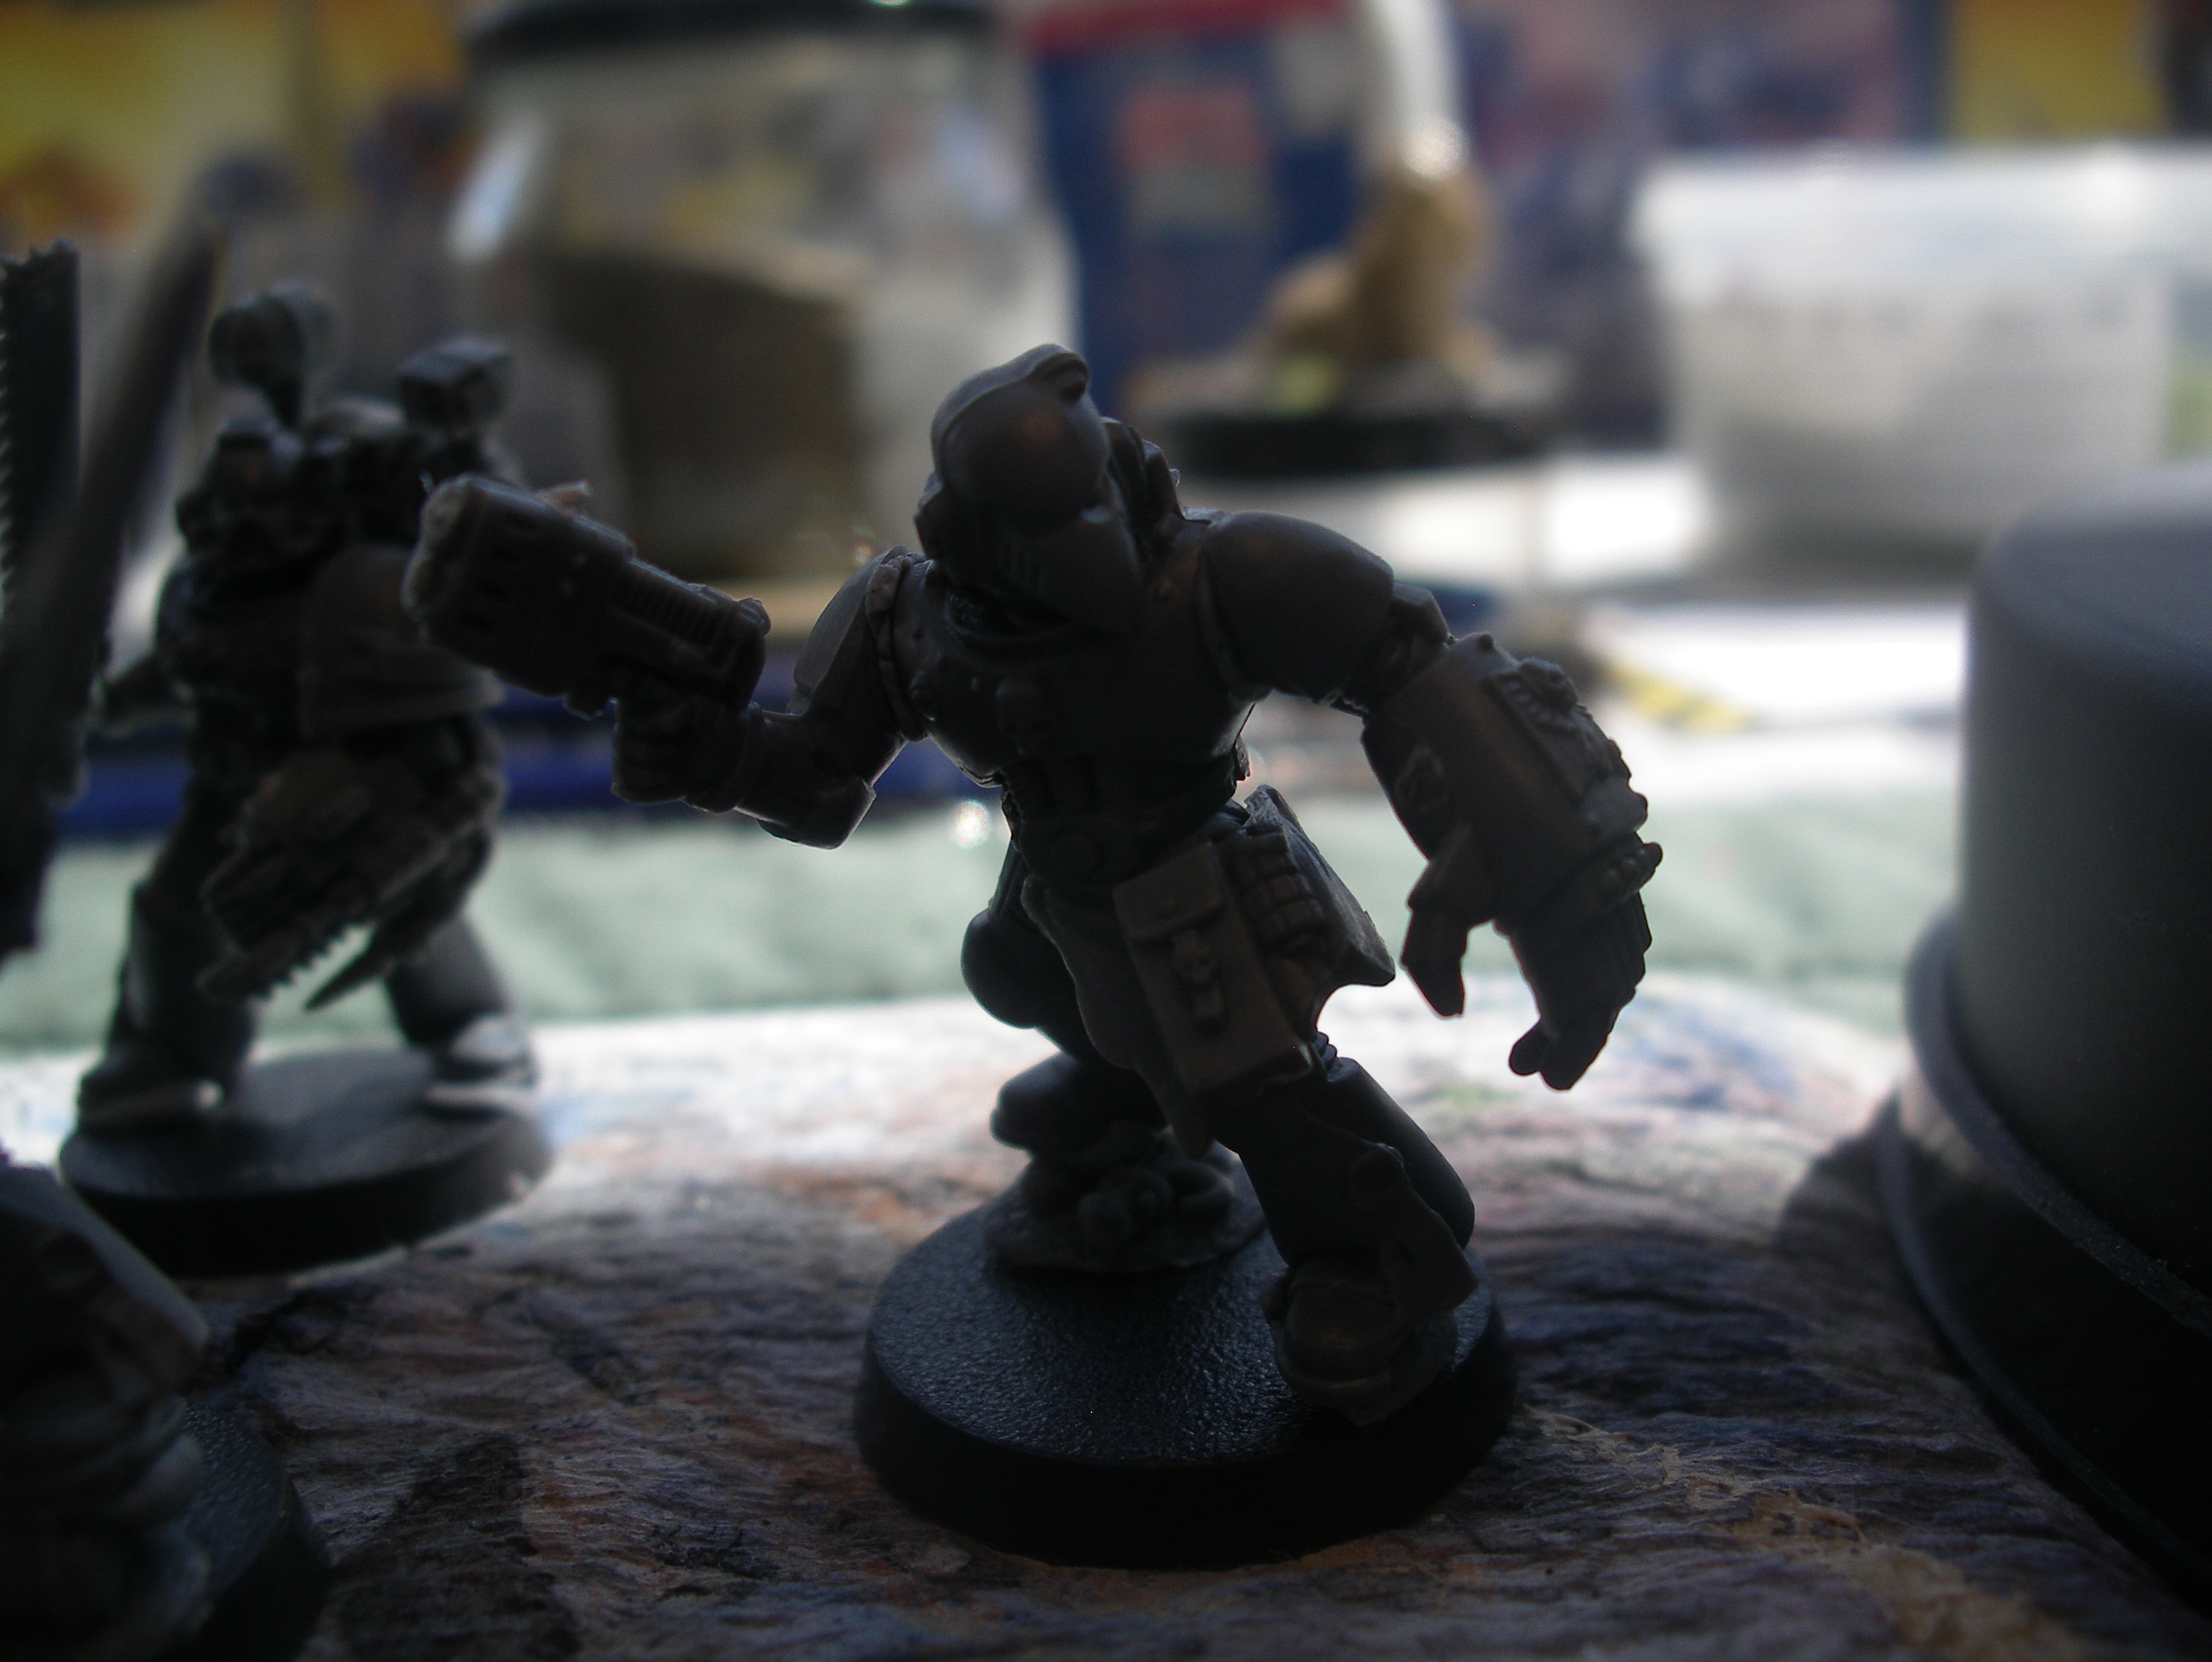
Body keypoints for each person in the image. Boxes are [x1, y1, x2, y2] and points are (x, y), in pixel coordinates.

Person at [608, 345, 1659, 1421]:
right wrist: (709, 752)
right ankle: (1126, 1109)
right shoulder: (908, 617)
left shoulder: (1221, 577)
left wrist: (1550, 887)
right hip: (1054, 881)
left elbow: (1426, 675)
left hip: (1194, 879)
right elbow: (820, 782)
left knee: (1253, 1081)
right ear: (960, 531)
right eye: (1038, 531)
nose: (1081, 550)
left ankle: (1372, 1251)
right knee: (1016, 972)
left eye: (1088, 509)